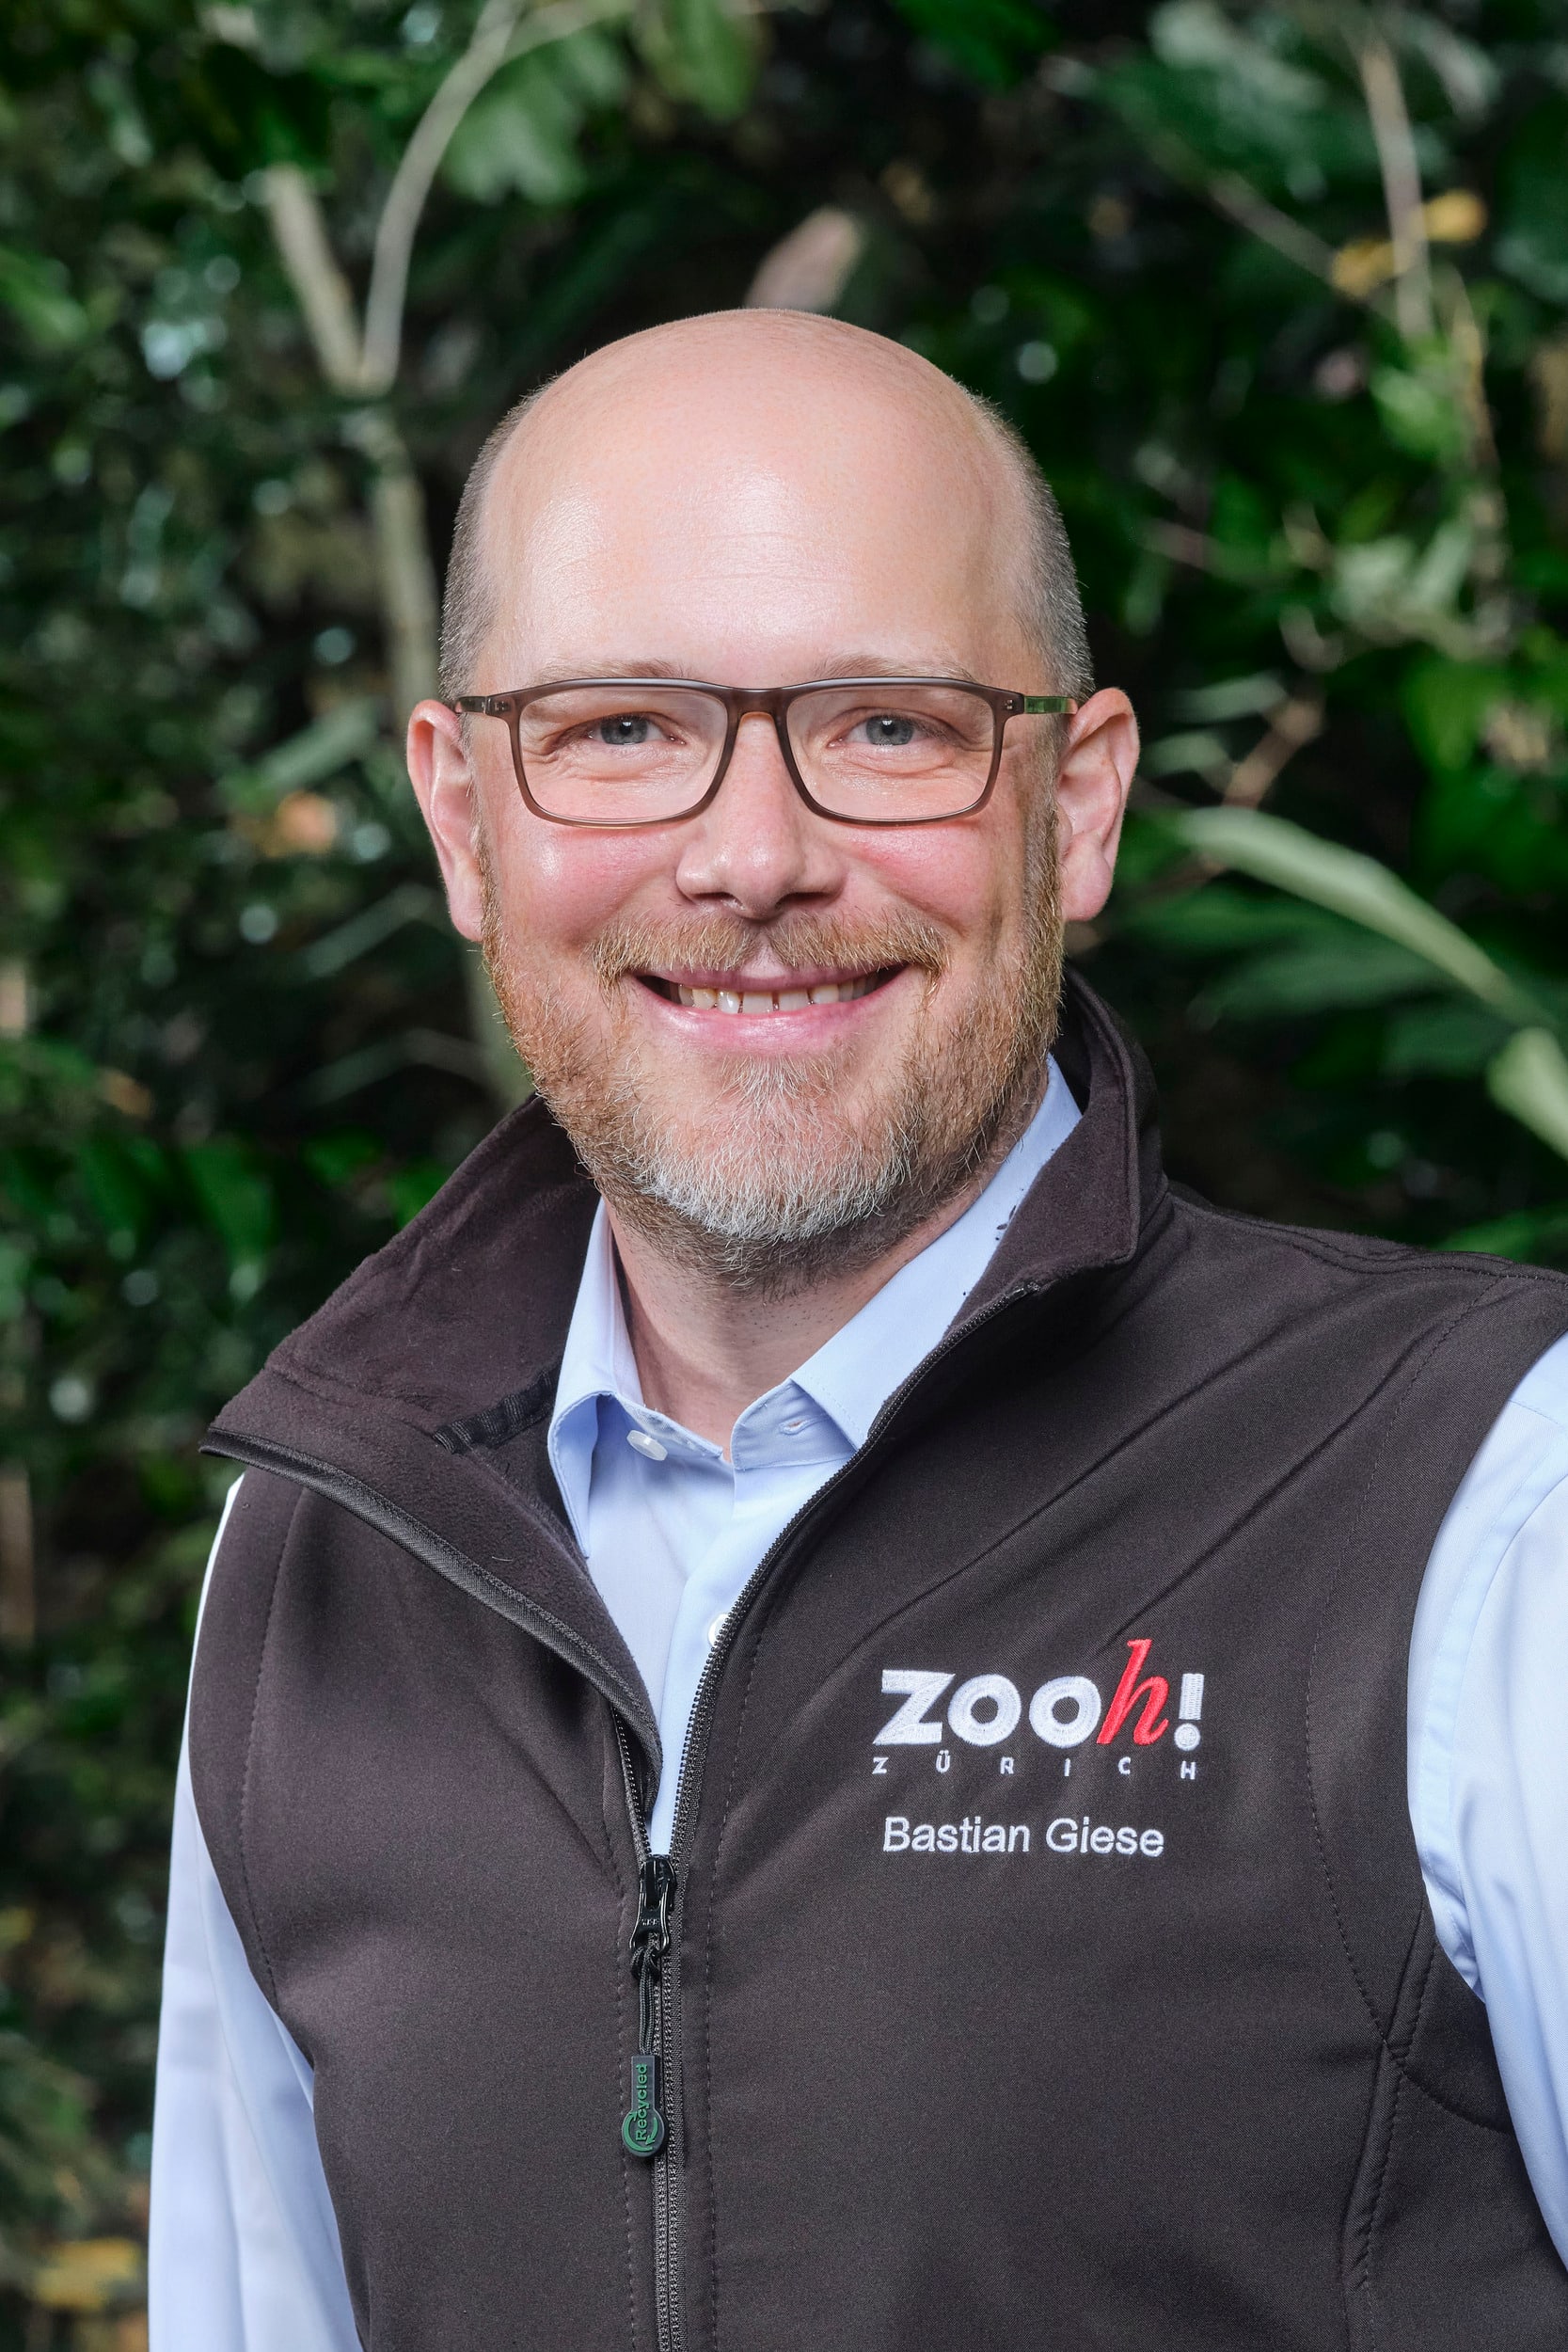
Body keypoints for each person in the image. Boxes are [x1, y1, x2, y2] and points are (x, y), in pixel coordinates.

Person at [150, 310, 1568, 2352]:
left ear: (1074, 804)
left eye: (887, 725)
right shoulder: (319, 1559)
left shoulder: (1486, 1497)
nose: (750, 858)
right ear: (465, 817)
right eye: (623, 728)